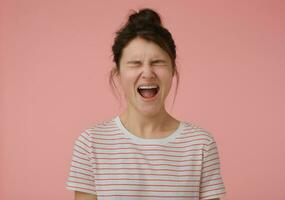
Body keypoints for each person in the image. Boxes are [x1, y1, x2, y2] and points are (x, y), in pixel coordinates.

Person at [66, 8, 226, 200]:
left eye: (158, 62)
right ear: (118, 73)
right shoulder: (91, 144)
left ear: (173, 70)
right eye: (135, 63)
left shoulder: (201, 145)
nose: (148, 73)